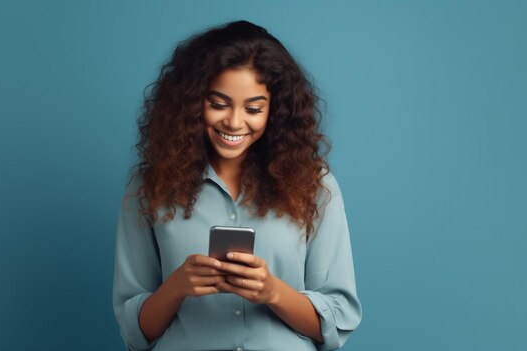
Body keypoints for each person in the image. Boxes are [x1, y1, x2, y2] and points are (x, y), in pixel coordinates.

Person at [112, 20, 361, 351]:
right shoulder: (149, 187)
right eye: (218, 104)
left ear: (276, 110)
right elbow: (135, 332)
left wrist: (273, 291)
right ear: (191, 102)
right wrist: (176, 286)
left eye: (253, 108)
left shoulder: (315, 185)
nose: (233, 122)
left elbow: (337, 321)